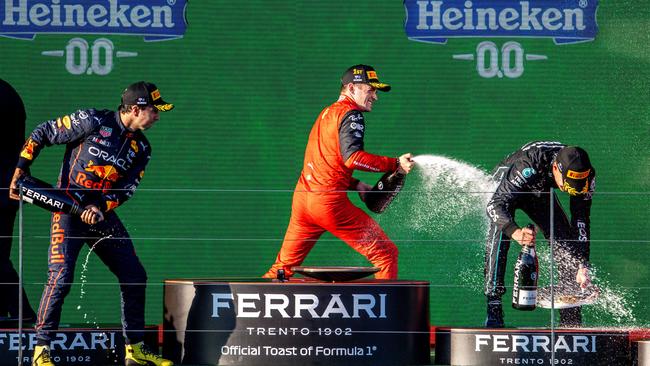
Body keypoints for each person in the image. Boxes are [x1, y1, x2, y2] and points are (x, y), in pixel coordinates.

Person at [9, 81, 175, 366]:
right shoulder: (92, 120)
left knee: (135, 275)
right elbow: (43, 132)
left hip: (100, 216)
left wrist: (100, 207)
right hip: (67, 211)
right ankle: (41, 351)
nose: (158, 116)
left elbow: (126, 189)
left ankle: (134, 350)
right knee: (60, 278)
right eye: (154, 110)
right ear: (136, 109)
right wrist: (21, 169)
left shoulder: (142, 148)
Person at [263, 64, 414, 280]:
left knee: (282, 269)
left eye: (376, 91)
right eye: (370, 90)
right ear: (351, 88)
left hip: (303, 201)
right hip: (329, 205)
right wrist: (394, 163)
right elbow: (353, 158)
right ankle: (389, 313)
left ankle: (244, 311)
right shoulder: (351, 115)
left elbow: (326, 162)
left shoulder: (326, 112)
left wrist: (356, 184)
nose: (375, 96)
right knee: (386, 254)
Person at [484, 141, 595, 328]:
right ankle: (493, 307)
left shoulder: (587, 177)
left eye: (577, 187)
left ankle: (570, 315)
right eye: (568, 186)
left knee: (565, 240)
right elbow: (494, 205)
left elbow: (581, 220)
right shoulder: (530, 163)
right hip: (508, 185)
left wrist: (582, 264)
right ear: (556, 169)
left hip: (538, 188)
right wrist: (515, 232)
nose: (573, 190)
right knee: (501, 231)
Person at [0, 79, 37, 324]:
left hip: (5, 187)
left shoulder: (5, 95)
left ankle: (22, 315)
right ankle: (14, 314)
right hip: (9, 187)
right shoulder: (7, 92)